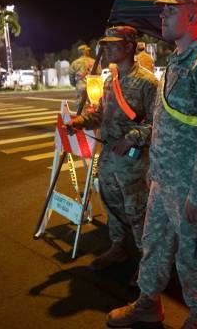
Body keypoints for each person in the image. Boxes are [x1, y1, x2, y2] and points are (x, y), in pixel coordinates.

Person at [107, 0, 197, 329]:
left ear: (193, 14)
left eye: (170, 9)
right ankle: (148, 304)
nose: (161, 15)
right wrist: (156, 172)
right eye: (162, 9)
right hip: (164, 181)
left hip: (191, 187)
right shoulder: (178, 61)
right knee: (154, 246)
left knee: (195, 257)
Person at [66, 27, 158, 271]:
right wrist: (81, 122)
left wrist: (132, 137)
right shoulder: (110, 81)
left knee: (137, 211)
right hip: (108, 156)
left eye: (113, 44)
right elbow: (102, 116)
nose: (106, 49)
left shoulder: (148, 82)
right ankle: (118, 247)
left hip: (133, 161)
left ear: (129, 46)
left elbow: (158, 123)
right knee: (112, 205)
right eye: (105, 45)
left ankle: (145, 262)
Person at [69, 44, 100, 109]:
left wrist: (77, 84)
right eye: (87, 50)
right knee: (94, 106)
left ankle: (81, 117)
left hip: (81, 87)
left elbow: (71, 78)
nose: (89, 51)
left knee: (80, 106)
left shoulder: (74, 63)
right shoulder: (93, 61)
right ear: (85, 51)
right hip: (92, 87)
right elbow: (99, 74)